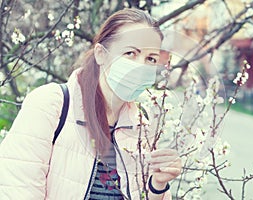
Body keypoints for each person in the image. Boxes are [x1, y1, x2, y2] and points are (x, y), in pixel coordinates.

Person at [0, 8, 182, 200]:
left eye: (151, 59)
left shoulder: (141, 127)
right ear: (101, 54)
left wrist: (158, 185)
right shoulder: (51, 104)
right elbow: (17, 190)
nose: (140, 66)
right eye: (130, 53)